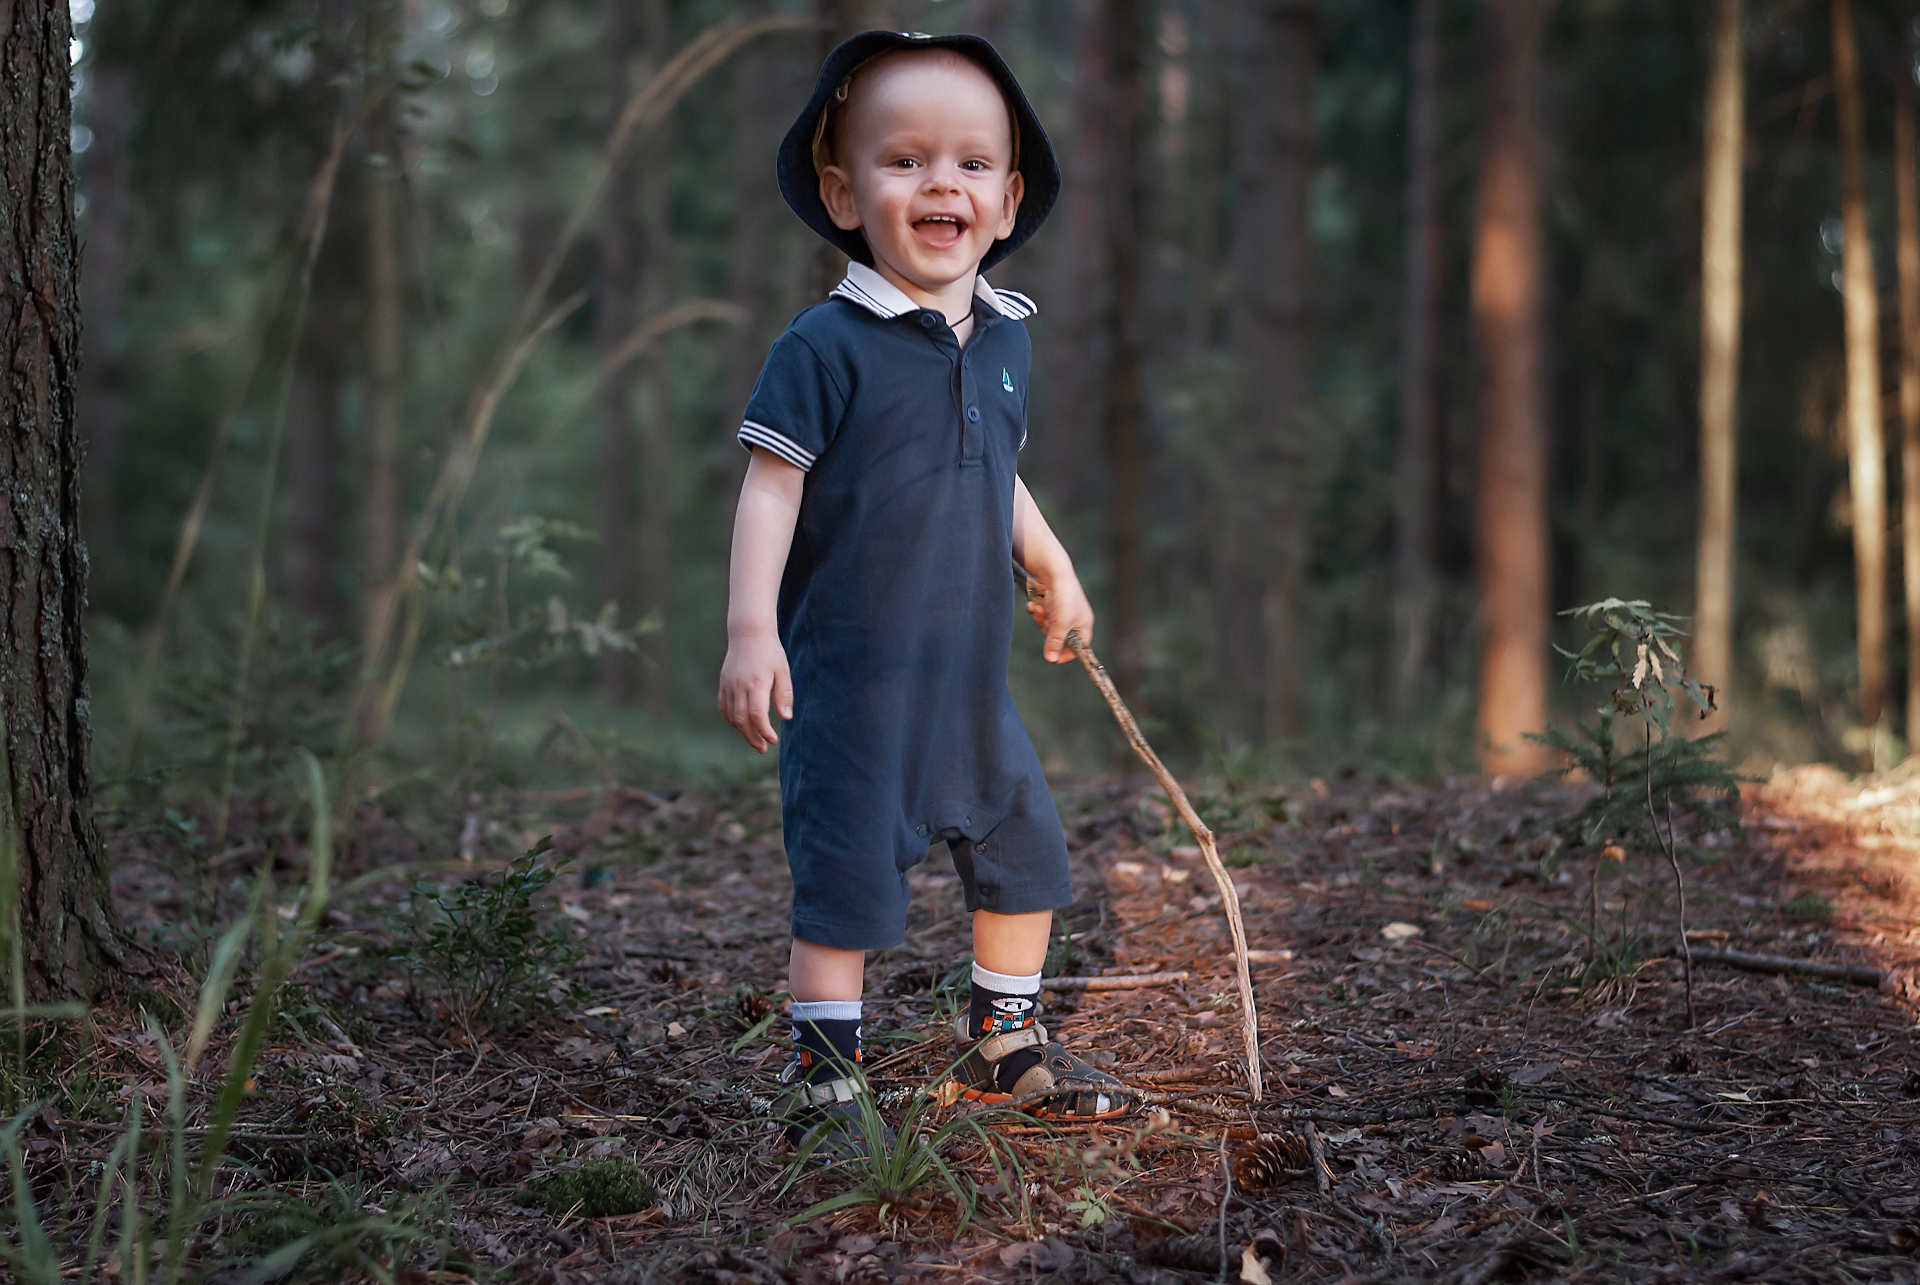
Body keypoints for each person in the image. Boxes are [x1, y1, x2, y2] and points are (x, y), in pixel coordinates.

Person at [716, 30, 1134, 1150]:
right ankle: (825, 1084)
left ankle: (1007, 1042)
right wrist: (753, 629)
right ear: (845, 193)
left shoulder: (1003, 344)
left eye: (970, 163)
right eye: (904, 161)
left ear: (1007, 199)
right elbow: (768, 491)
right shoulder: (826, 346)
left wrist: (1048, 559)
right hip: (853, 691)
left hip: (967, 688)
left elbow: (991, 472)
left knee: (1027, 857)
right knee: (845, 889)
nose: (940, 181)